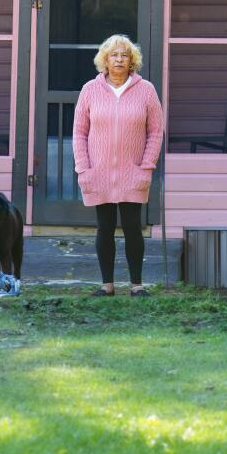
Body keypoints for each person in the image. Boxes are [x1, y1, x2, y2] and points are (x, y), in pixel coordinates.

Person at [72, 34, 164, 297]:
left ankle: (136, 284)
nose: (119, 59)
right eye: (114, 55)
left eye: (124, 54)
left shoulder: (146, 90)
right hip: (98, 173)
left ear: (132, 60)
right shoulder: (90, 90)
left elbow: (156, 132)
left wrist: (146, 167)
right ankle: (107, 284)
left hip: (133, 173)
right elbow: (79, 132)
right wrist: (83, 168)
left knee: (134, 227)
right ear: (105, 60)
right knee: (105, 227)